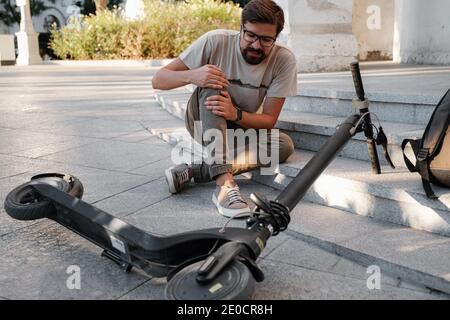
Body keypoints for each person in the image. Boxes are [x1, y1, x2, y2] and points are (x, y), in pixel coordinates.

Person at [152, 0, 297, 218]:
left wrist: (235, 114)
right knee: (213, 82)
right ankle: (225, 186)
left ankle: (194, 171)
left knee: (283, 144)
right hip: (203, 121)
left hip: (238, 125)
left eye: (266, 39)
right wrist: (193, 75)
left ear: (276, 38)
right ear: (241, 28)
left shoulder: (284, 60)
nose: (257, 45)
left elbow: (268, 120)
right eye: (251, 35)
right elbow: (158, 80)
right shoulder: (215, 41)